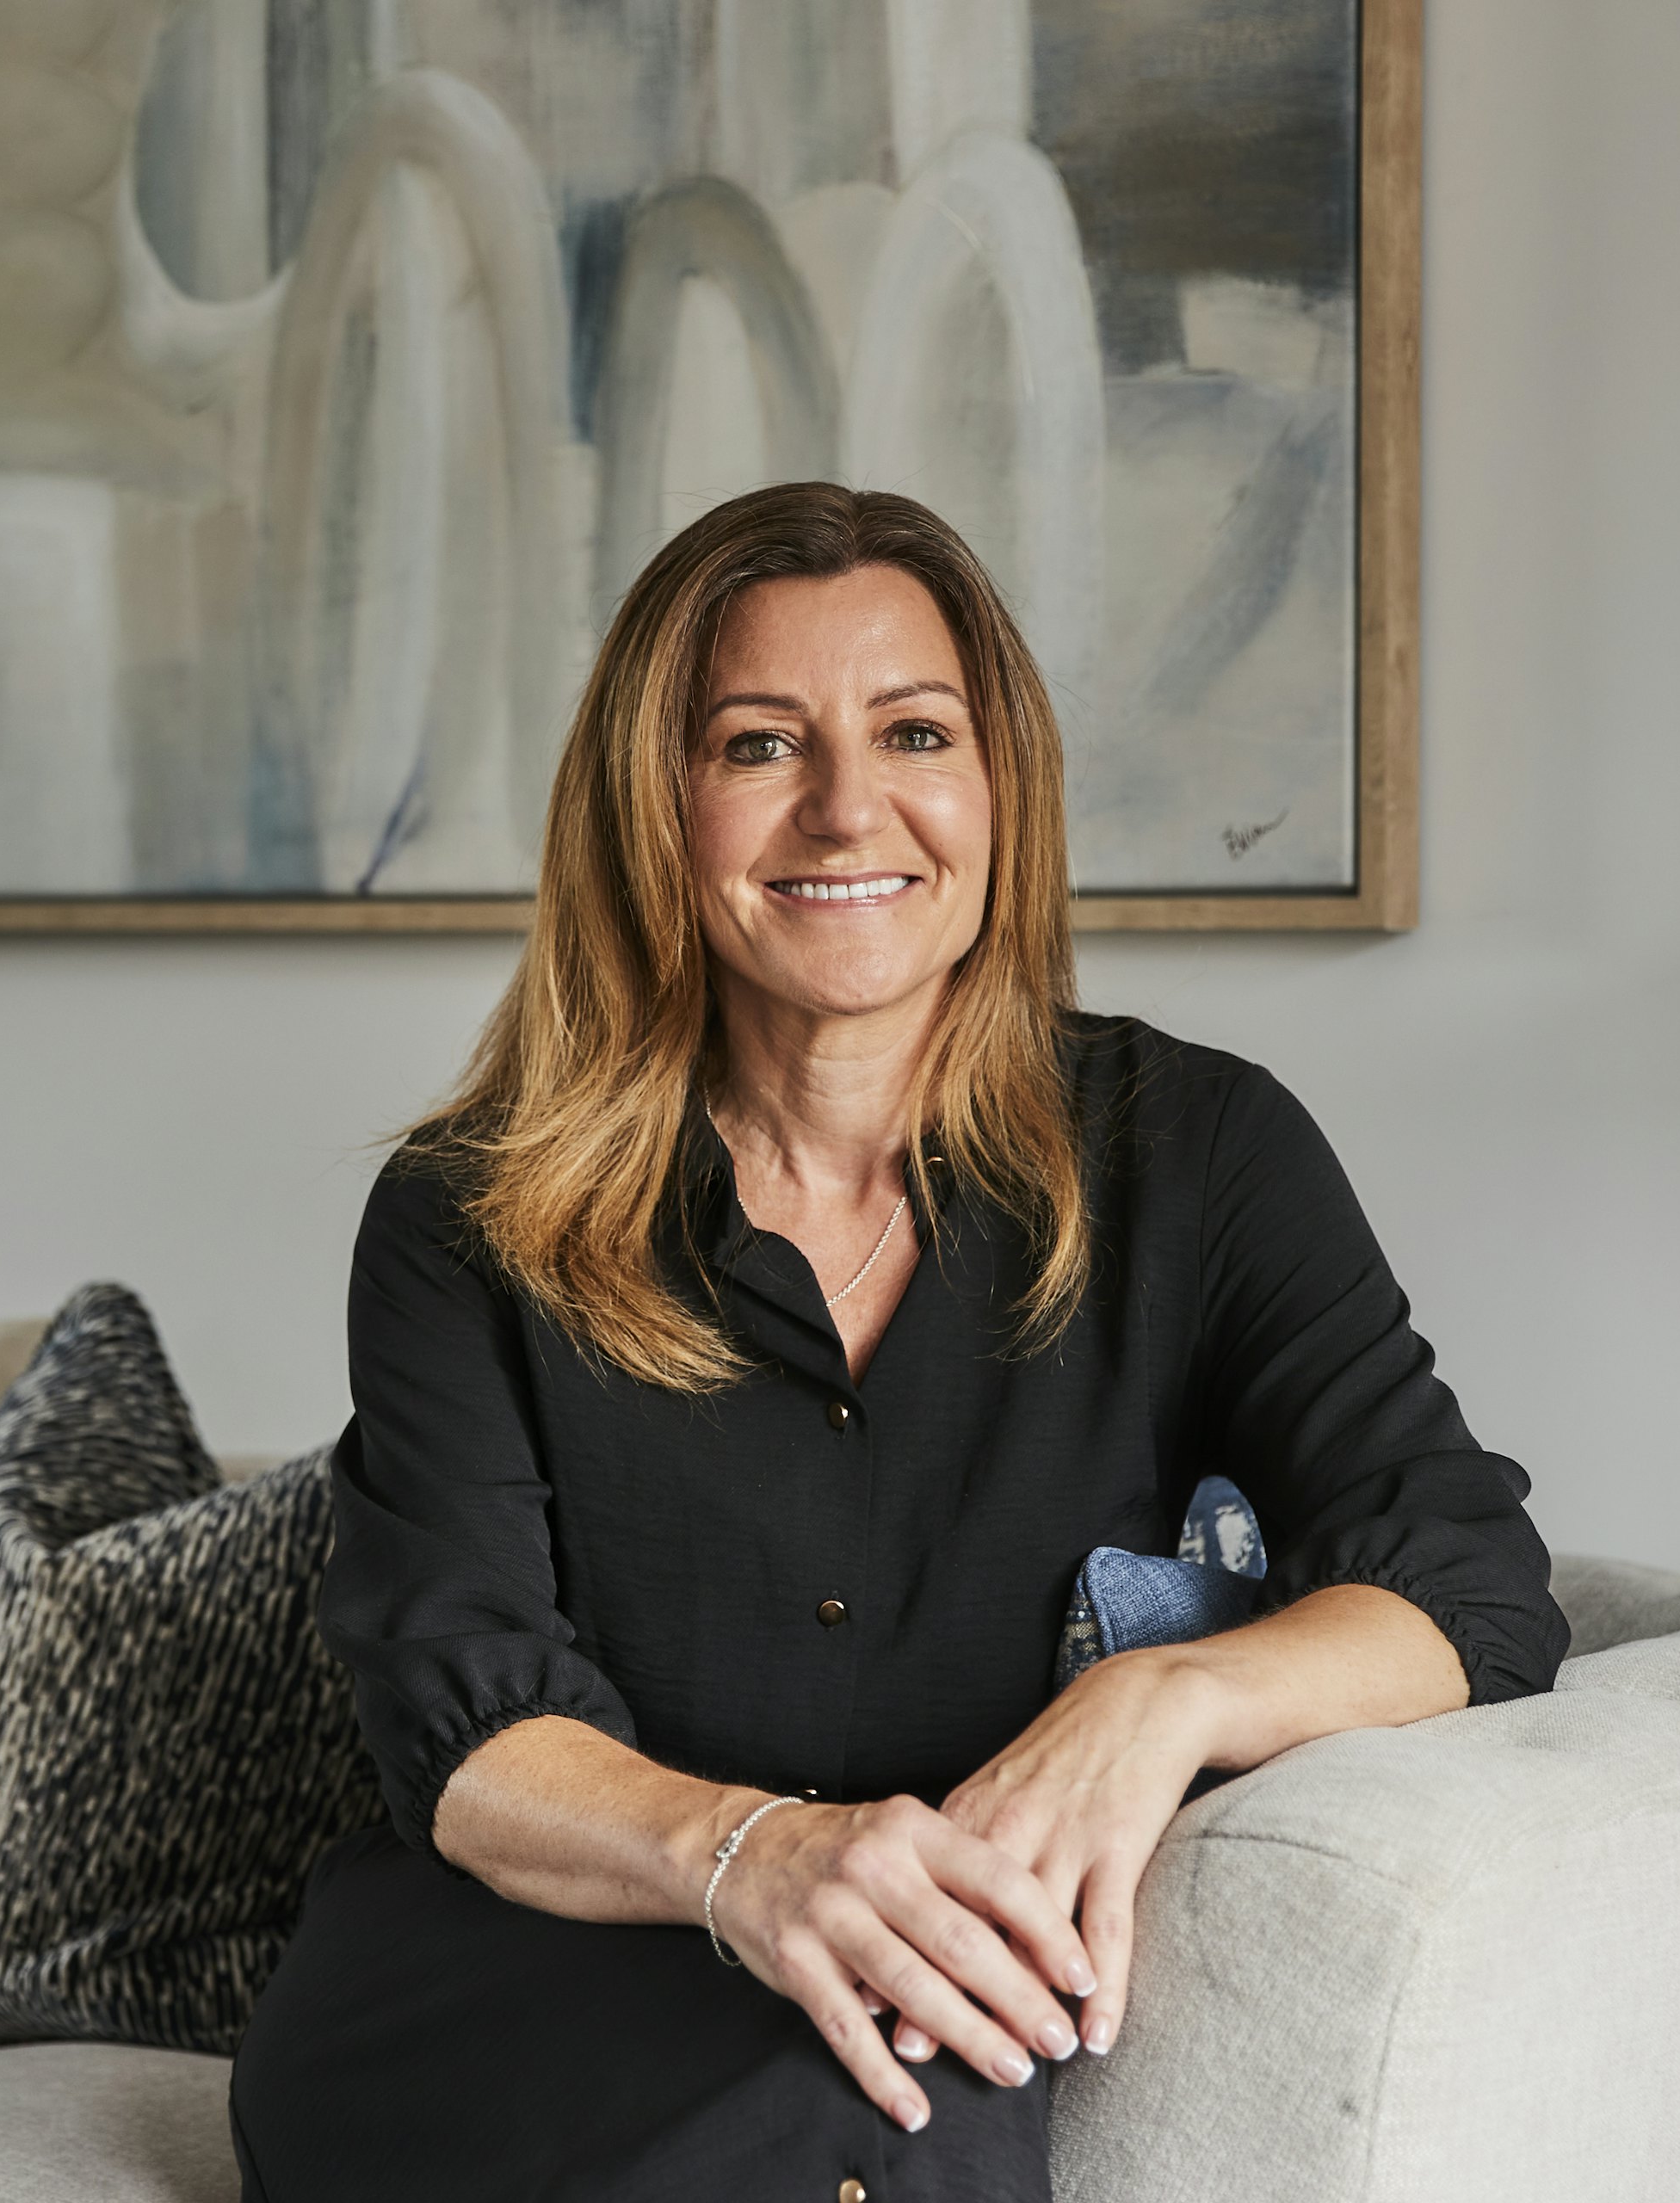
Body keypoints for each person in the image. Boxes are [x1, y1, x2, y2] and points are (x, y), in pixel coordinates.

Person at [228, 483, 1566, 2202]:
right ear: (659, 803)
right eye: (761, 743)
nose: (849, 806)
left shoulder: (1203, 1154)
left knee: (907, 2042)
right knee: (879, 2043)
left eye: (914, 729)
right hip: (532, 1976)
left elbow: (1466, 1584)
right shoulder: (471, 1212)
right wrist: (758, 1857)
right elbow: (469, 1731)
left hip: (925, 1988)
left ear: (997, 783)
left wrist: (1163, 1694)